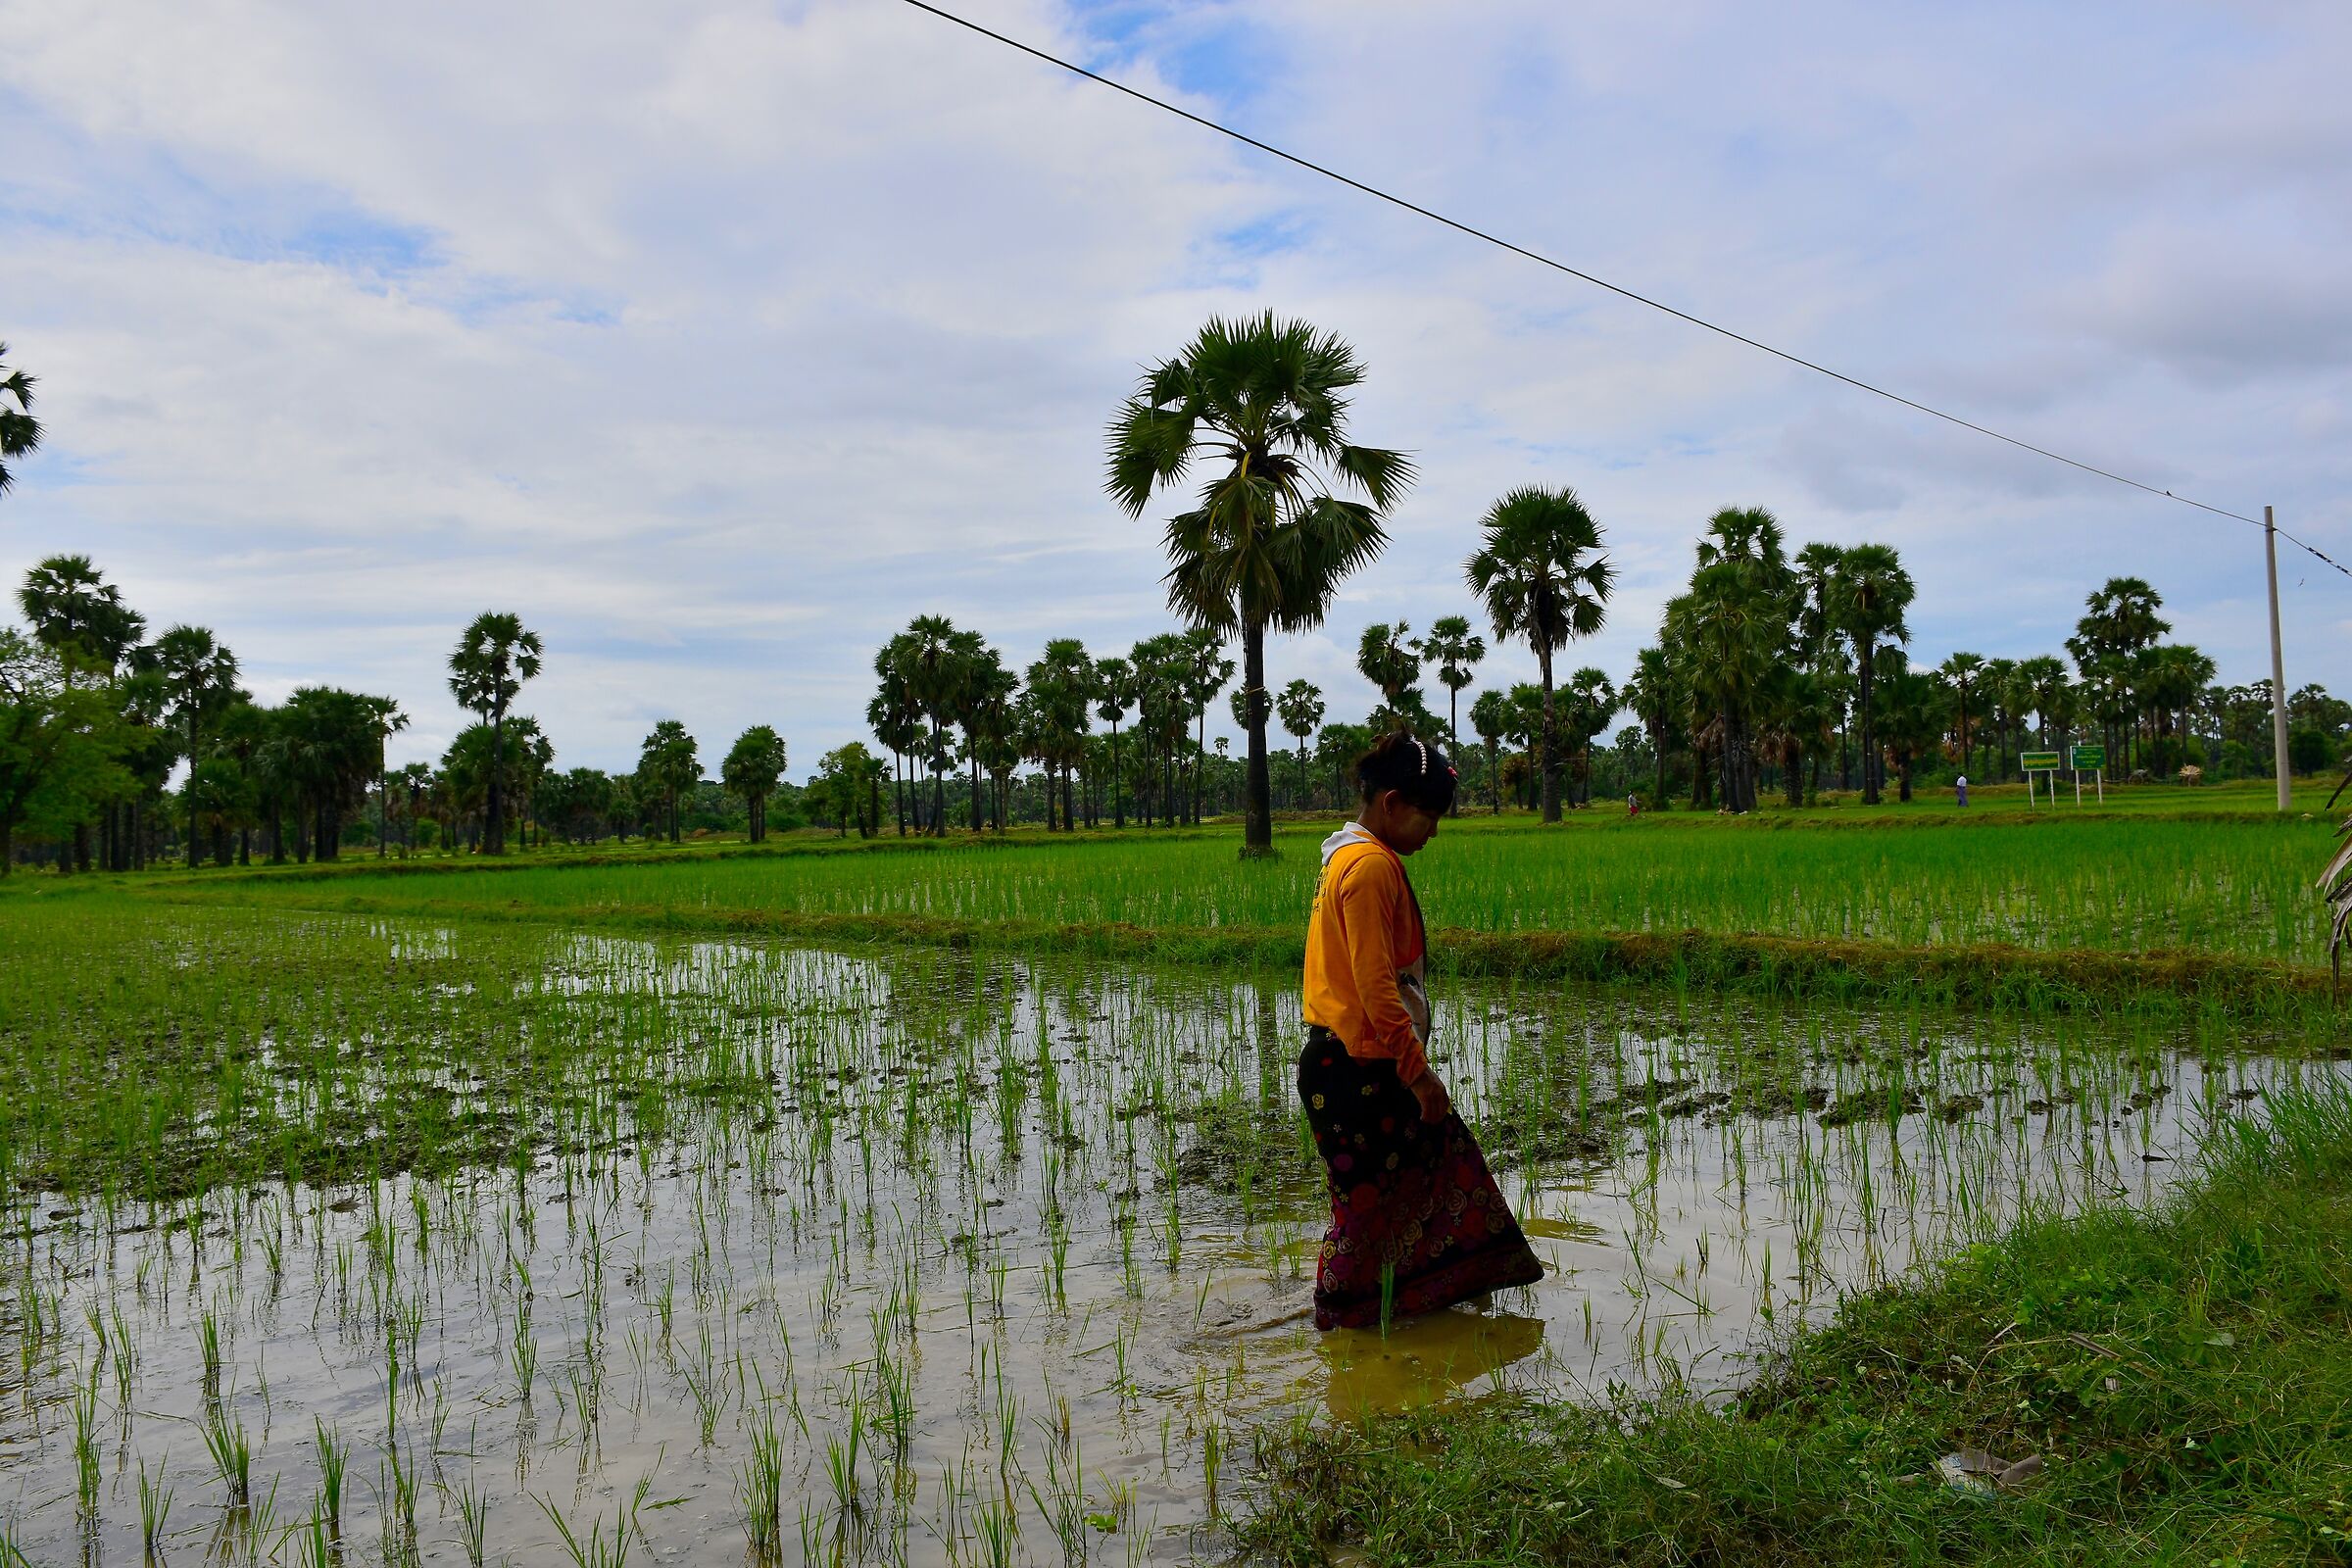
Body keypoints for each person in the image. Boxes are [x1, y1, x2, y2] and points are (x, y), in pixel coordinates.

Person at [1298, 732, 1544, 1331]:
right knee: (1370, 1206)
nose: (1433, 831)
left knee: (1416, 1178)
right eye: (1427, 815)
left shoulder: (1350, 855)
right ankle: (1343, 1320)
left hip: (1347, 1062)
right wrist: (1419, 1074)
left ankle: (1405, 1304)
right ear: (1390, 804)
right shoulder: (1370, 869)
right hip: (1361, 1067)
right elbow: (1377, 987)